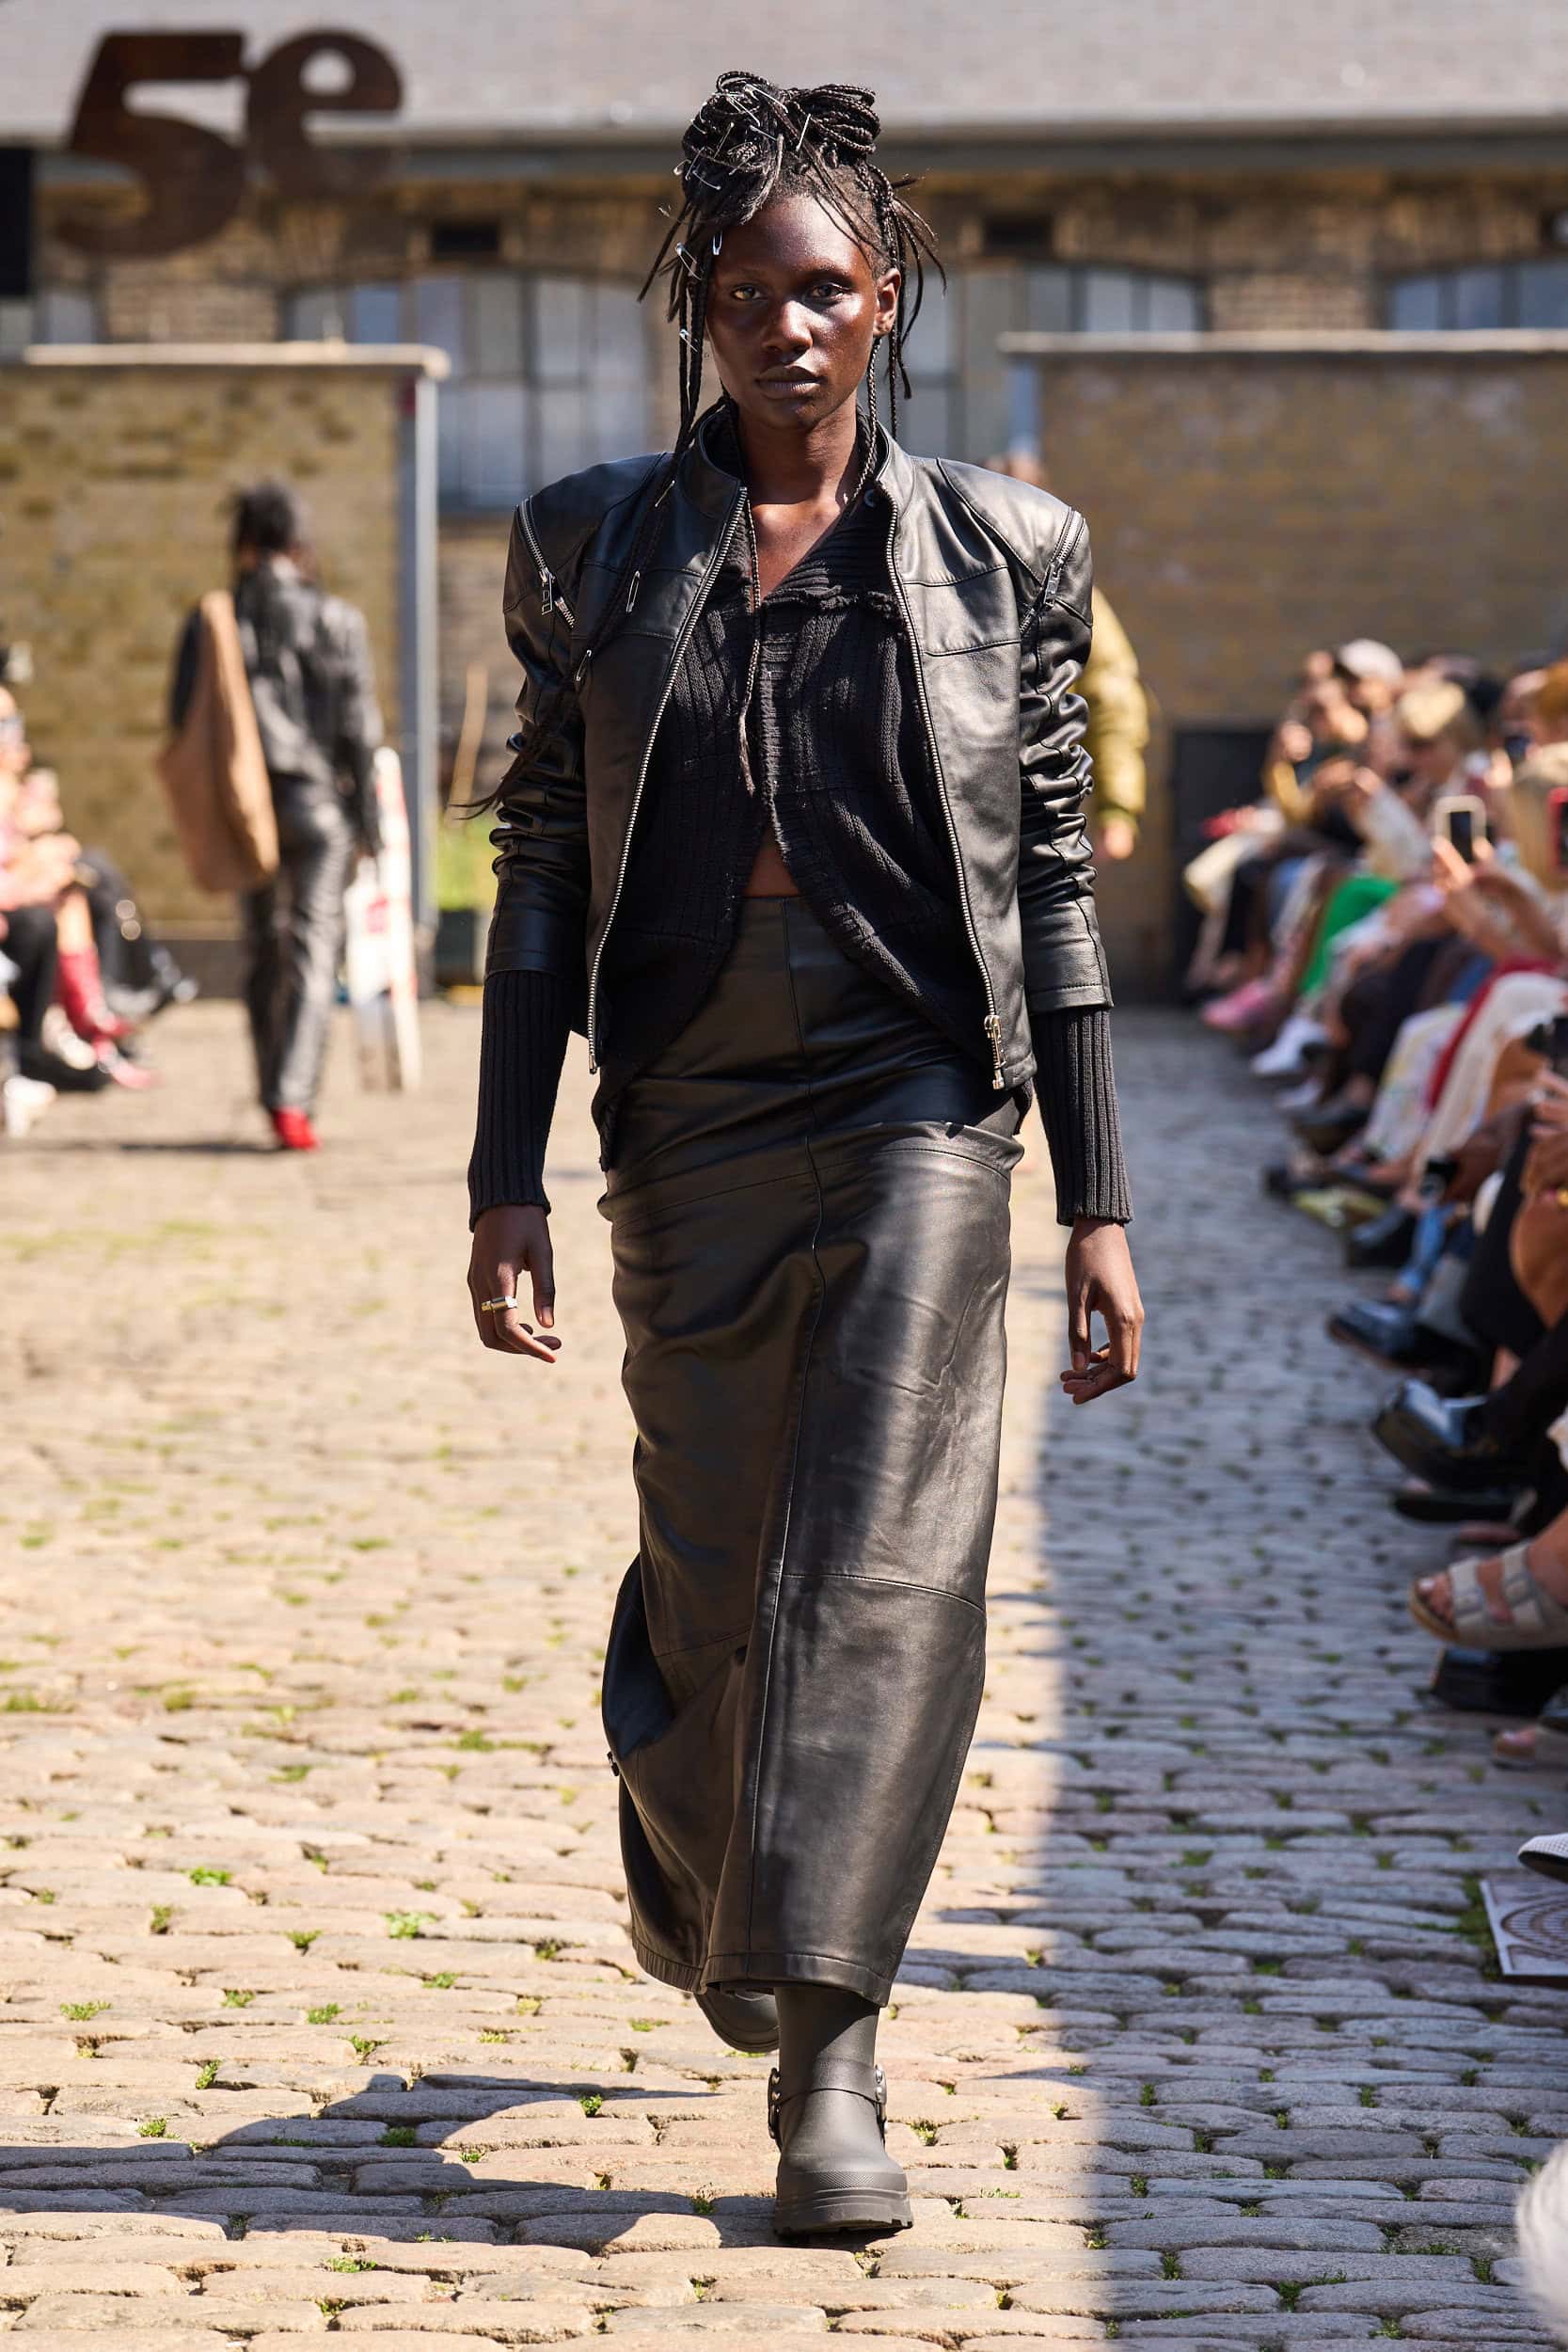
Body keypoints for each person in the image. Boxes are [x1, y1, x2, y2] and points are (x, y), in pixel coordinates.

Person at [465, 72, 1143, 2239]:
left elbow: (1049, 883)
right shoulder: (590, 542)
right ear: (702, 304)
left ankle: (830, 2049)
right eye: (748, 291)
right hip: (684, 1107)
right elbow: (540, 861)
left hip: (915, 1093)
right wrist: (501, 1172)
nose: (786, 325)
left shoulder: (1005, 554)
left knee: (883, 1566)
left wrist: (1094, 1197)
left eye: (824, 289)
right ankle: (693, 1859)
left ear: (885, 301)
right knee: (712, 1561)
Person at [170, 483, 383, 1151]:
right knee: (314, 947)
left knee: (262, 946)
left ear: (242, 546)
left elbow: (181, 720)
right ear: (298, 545)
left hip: (247, 810)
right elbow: (360, 732)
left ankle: (271, 1090)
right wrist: (371, 825)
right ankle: (294, 1102)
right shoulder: (337, 618)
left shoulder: (212, 620)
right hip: (319, 807)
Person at [985, 451, 1149, 862]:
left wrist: (1118, 807)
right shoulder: (939, 586)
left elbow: (1112, 698)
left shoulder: (1069, 595)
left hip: (1039, 799)